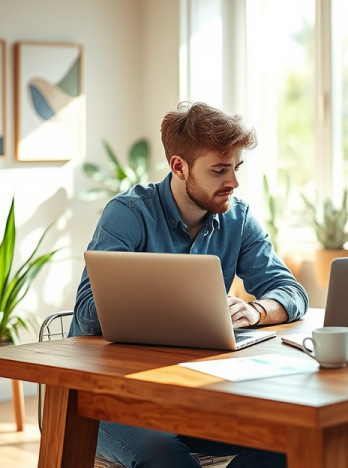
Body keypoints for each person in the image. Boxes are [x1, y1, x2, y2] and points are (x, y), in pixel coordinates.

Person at [70, 101, 308, 468]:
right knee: (166, 458)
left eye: (235, 167)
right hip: (107, 396)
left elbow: (290, 292)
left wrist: (256, 310)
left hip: (193, 394)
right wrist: (169, 299)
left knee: (286, 442)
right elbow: (87, 314)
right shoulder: (130, 213)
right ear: (179, 166)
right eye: (219, 170)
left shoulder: (238, 219)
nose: (233, 181)